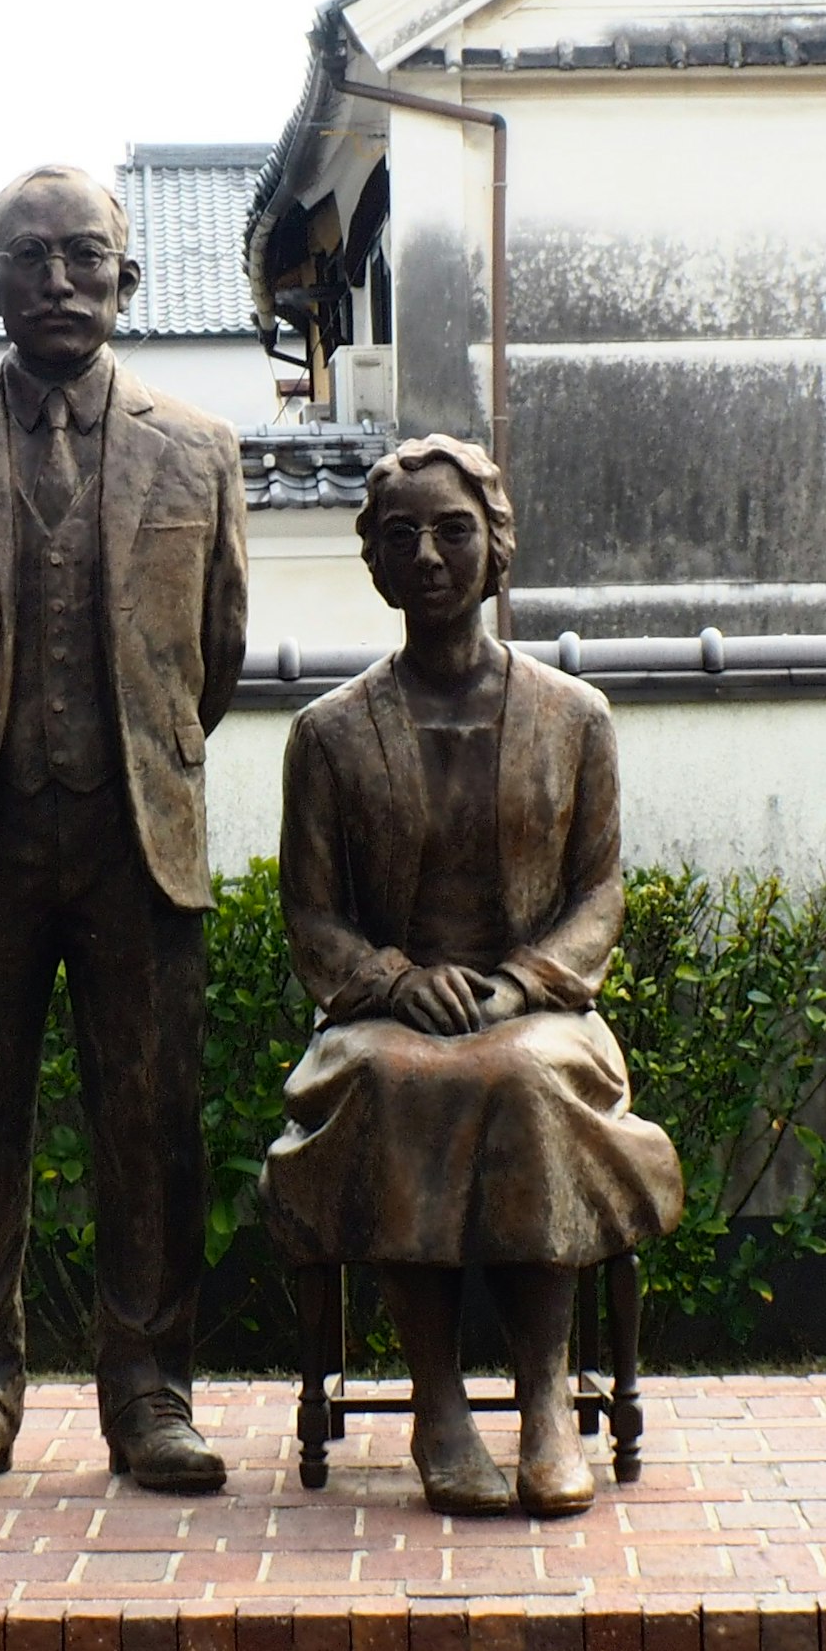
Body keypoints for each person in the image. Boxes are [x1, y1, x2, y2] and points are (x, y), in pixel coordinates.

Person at [0, 165, 251, 1494]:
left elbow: (219, 652)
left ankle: (152, 1395)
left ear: (126, 281)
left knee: (150, 1127)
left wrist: (129, 751)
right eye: (28, 259)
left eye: (82, 257)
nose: (56, 282)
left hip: (137, 832)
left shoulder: (202, 453)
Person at [260, 436, 682, 1516]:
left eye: (454, 530)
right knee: (405, 1078)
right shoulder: (330, 735)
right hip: (383, 1024)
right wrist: (395, 979)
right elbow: (312, 914)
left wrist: (524, 981)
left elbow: (600, 893)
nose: (430, 556)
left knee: (524, 1077)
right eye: (400, 537)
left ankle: (546, 1398)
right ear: (376, 563)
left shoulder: (574, 718)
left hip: (537, 1017)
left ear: (497, 547)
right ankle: (437, 1403)